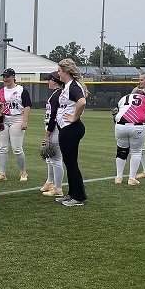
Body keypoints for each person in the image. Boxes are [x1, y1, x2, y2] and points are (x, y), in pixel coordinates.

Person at [53, 59, 89, 207]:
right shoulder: (68, 86)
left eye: (60, 71)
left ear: (66, 71)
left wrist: (74, 117)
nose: (58, 73)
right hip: (67, 128)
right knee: (68, 162)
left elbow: (82, 102)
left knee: (71, 163)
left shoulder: (73, 86)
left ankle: (79, 196)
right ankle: (72, 193)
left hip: (71, 128)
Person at [113, 86, 145, 185]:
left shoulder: (124, 98)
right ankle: (131, 178)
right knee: (136, 152)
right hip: (137, 126)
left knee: (121, 150)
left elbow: (115, 113)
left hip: (120, 125)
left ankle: (118, 177)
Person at [0, 68, 31, 183]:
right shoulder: (1, 91)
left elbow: (27, 106)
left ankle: (23, 171)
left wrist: (24, 121)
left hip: (17, 118)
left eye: (7, 76)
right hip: (4, 119)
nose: (5, 78)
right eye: (4, 76)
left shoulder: (21, 90)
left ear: (13, 76)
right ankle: (2, 173)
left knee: (17, 149)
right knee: (2, 148)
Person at [41, 74, 66, 197]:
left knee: (56, 160)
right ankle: (50, 182)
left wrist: (48, 134)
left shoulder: (57, 95)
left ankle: (58, 188)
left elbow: (54, 117)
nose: (47, 82)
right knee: (50, 158)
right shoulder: (57, 93)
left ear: (54, 81)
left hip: (55, 129)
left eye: (49, 80)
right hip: (54, 129)